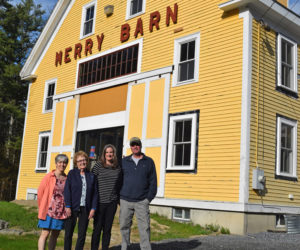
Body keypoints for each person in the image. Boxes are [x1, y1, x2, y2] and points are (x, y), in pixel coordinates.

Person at [119, 137, 157, 250]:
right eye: (132, 145)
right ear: (130, 147)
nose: (135, 147)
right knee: (124, 226)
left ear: (140, 146)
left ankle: (145, 248)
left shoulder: (149, 161)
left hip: (142, 201)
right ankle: (125, 247)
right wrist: (119, 198)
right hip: (125, 200)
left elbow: (153, 182)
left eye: (137, 144)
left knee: (144, 228)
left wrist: (148, 199)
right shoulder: (124, 162)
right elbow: (118, 180)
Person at [64, 151, 98, 250]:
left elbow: (95, 193)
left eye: (84, 160)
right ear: (76, 162)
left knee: (82, 234)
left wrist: (93, 208)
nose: (82, 162)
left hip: (85, 208)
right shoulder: (71, 173)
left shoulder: (91, 175)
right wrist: (68, 206)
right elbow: (67, 190)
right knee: (68, 233)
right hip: (72, 207)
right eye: (79, 161)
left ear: (87, 161)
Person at [91, 144, 122, 250]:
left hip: (112, 203)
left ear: (114, 154)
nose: (109, 154)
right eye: (107, 152)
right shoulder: (98, 166)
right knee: (97, 229)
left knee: (107, 229)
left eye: (111, 152)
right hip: (99, 202)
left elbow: (120, 183)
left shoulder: (117, 167)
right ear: (104, 154)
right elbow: (91, 182)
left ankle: (105, 248)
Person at [37, 154, 69, 250]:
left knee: (55, 234)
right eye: (60, 162)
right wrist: (42, 207)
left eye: (64, 162)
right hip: (48, 211)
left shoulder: (67, 179)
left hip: (60, 212)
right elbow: (40, 193)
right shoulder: (49, 176)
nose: (62, 164)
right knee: (45, 233)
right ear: (56, 163)